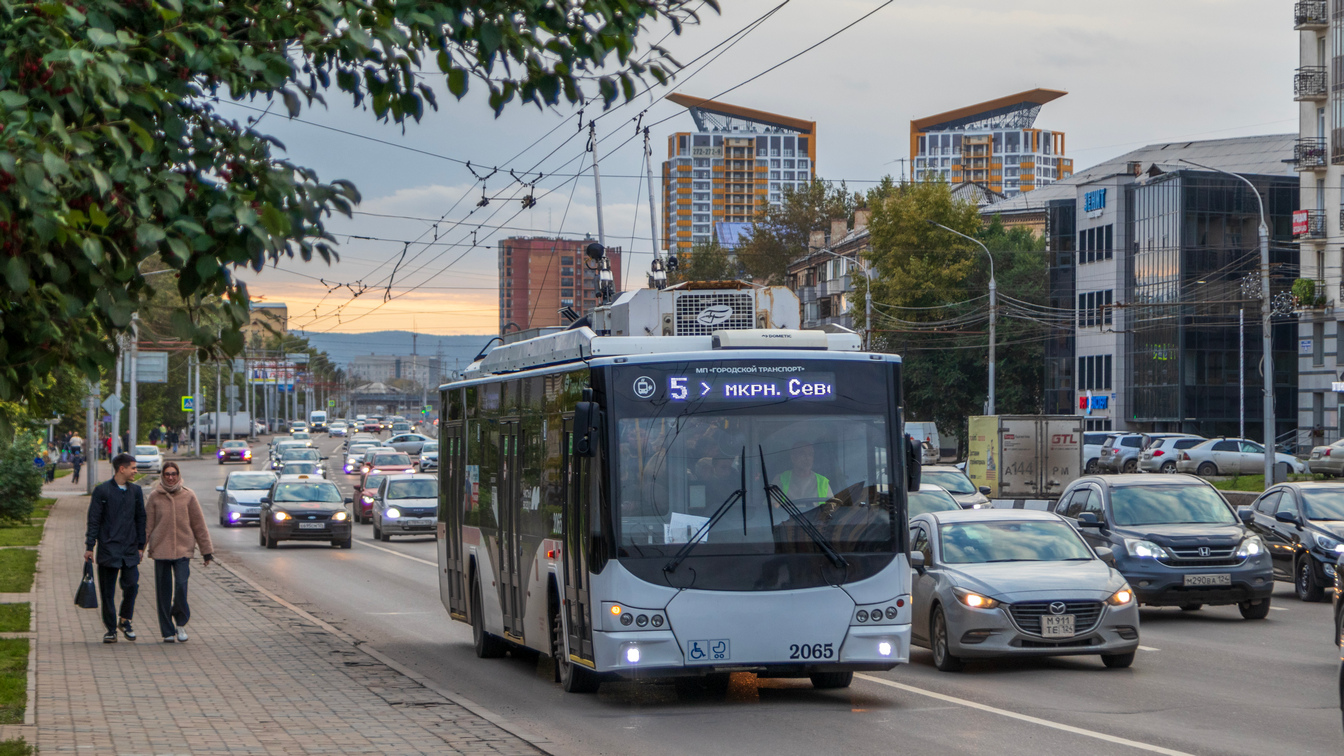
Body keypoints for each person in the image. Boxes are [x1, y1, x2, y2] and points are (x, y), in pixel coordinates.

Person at [144, 462, 214, 643]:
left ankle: (180, 622)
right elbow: (147, 526)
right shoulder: (154, 497)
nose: (170, 477)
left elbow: (199, 525)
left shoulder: (188, 495)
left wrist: (206, 551)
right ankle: (167, 630)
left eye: (173, 474)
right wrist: (139, 549)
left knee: (181, 586)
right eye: (167, 474)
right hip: (161, 550)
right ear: (162, 476)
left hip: (183, 549)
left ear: (178, 475)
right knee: (163, 591)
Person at [85, 453, 146, 643]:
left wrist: (141, 545)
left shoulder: (135, 491)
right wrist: (90, 546)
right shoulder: (102, 491)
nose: (135, 471)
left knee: (132, 586)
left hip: (129, 549)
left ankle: (125, 620)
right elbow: (94, 520)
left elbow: (140, 519)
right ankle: (111, 629)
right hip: (108, 549)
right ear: (122, 469)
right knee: (107, 592)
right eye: (133, 468)